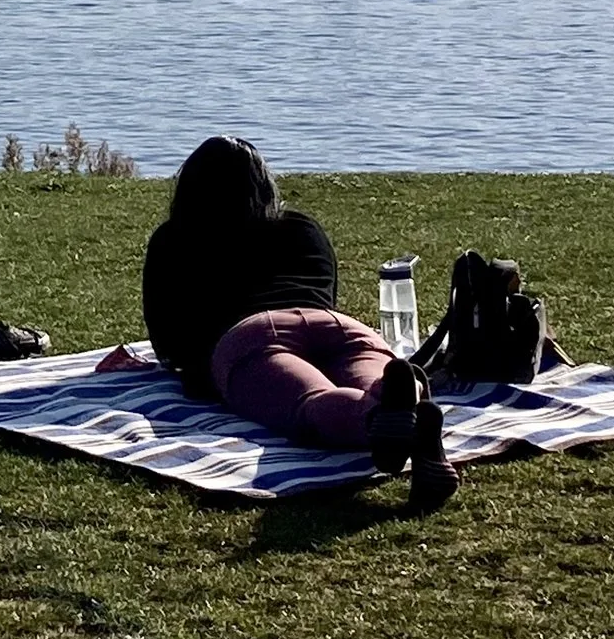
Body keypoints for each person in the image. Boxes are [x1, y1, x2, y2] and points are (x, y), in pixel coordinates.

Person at [143, 135, 457, 508]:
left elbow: (170, 344)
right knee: (379, 381)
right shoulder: (301, 227)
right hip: (336, 325)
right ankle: (412, 413)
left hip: (253, 336)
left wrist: (204, 371)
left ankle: (376, 420)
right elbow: (327, 293)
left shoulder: (175, 239)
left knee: (311, 403)